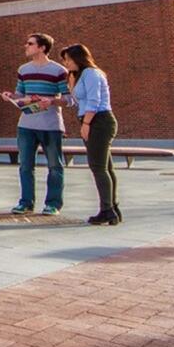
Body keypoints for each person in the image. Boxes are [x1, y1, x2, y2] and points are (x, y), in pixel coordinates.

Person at [0, 32, 69, 215]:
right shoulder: (23, 70)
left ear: (42, 47)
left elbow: (68, 98)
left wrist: (52, 101)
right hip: (26, 125)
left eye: (30, 43)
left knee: (55, 166)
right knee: (25, 166)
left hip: (51, 125)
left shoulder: (59, 71)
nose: (26, 46)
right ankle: (26, 203)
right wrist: (11, 97)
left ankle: (53, 204)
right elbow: (21, 95)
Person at [53, 43, 120, 225]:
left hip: (99, 120)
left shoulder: (91, 73)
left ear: (78, 58)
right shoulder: (79, 75)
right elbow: (75, 101)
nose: (65, 63)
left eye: (67, 59)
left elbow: (94, 100)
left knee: (98, 167)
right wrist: (71, 84)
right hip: (92, 119)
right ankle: (112, 208)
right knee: (105, 167)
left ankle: (107, 210)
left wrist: (87, 123)